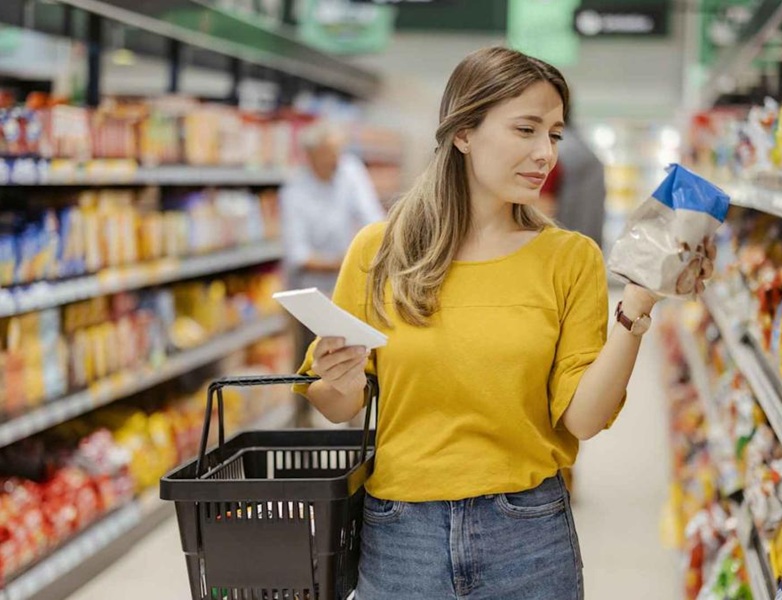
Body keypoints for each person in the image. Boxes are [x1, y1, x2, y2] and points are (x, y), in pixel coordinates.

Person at [294, 47, 713, 599]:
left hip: (528, 534)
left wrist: (638, 304)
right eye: (526, 129)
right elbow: (335, 403)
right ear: (464, 132)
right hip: (402, 537)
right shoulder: (382, 250)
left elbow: (584, 418)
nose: (546, 154)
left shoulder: (570, 258)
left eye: (554, 135)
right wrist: (339, 379)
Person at [279, 121, 385, 369]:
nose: (336, 159)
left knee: (352, 359)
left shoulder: (350, 171)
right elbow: (299, 256)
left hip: (347, 286)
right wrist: (347, 263)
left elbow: (373, 219)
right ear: (310, 156)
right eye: (328, 153)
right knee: (310, 363)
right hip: (310, 294)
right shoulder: (294, 192)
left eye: (338, 151)